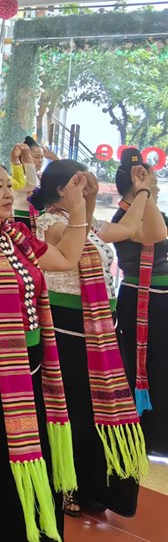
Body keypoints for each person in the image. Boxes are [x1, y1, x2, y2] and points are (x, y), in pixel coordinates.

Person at [0, 159, 88, 542]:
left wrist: (78, 207)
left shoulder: (16, 235)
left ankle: (33, 528)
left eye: (10, 186)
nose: (10, 194)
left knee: (33, 449)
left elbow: (66, 259)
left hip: (31, 362)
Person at [32, 160, 152, 518]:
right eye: (80, 182)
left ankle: (97, 487)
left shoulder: (85, 221)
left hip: (100, 325)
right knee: (77, 410)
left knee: (103, 407)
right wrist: (81, 207)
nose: (88, 187)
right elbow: (69, 254)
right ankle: (69, 484)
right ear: (61, 191)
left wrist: (144, 190)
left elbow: (130, 228)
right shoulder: (50, 224)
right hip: (68, 328)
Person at [111, 148, 168, 459]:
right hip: (143, 302)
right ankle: (147, 436)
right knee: (146, 367)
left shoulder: (154, 211)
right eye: (152, 184)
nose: (157, 188)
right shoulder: (124, 218)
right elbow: (157, 235)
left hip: (159, 303)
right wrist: (145, 193)